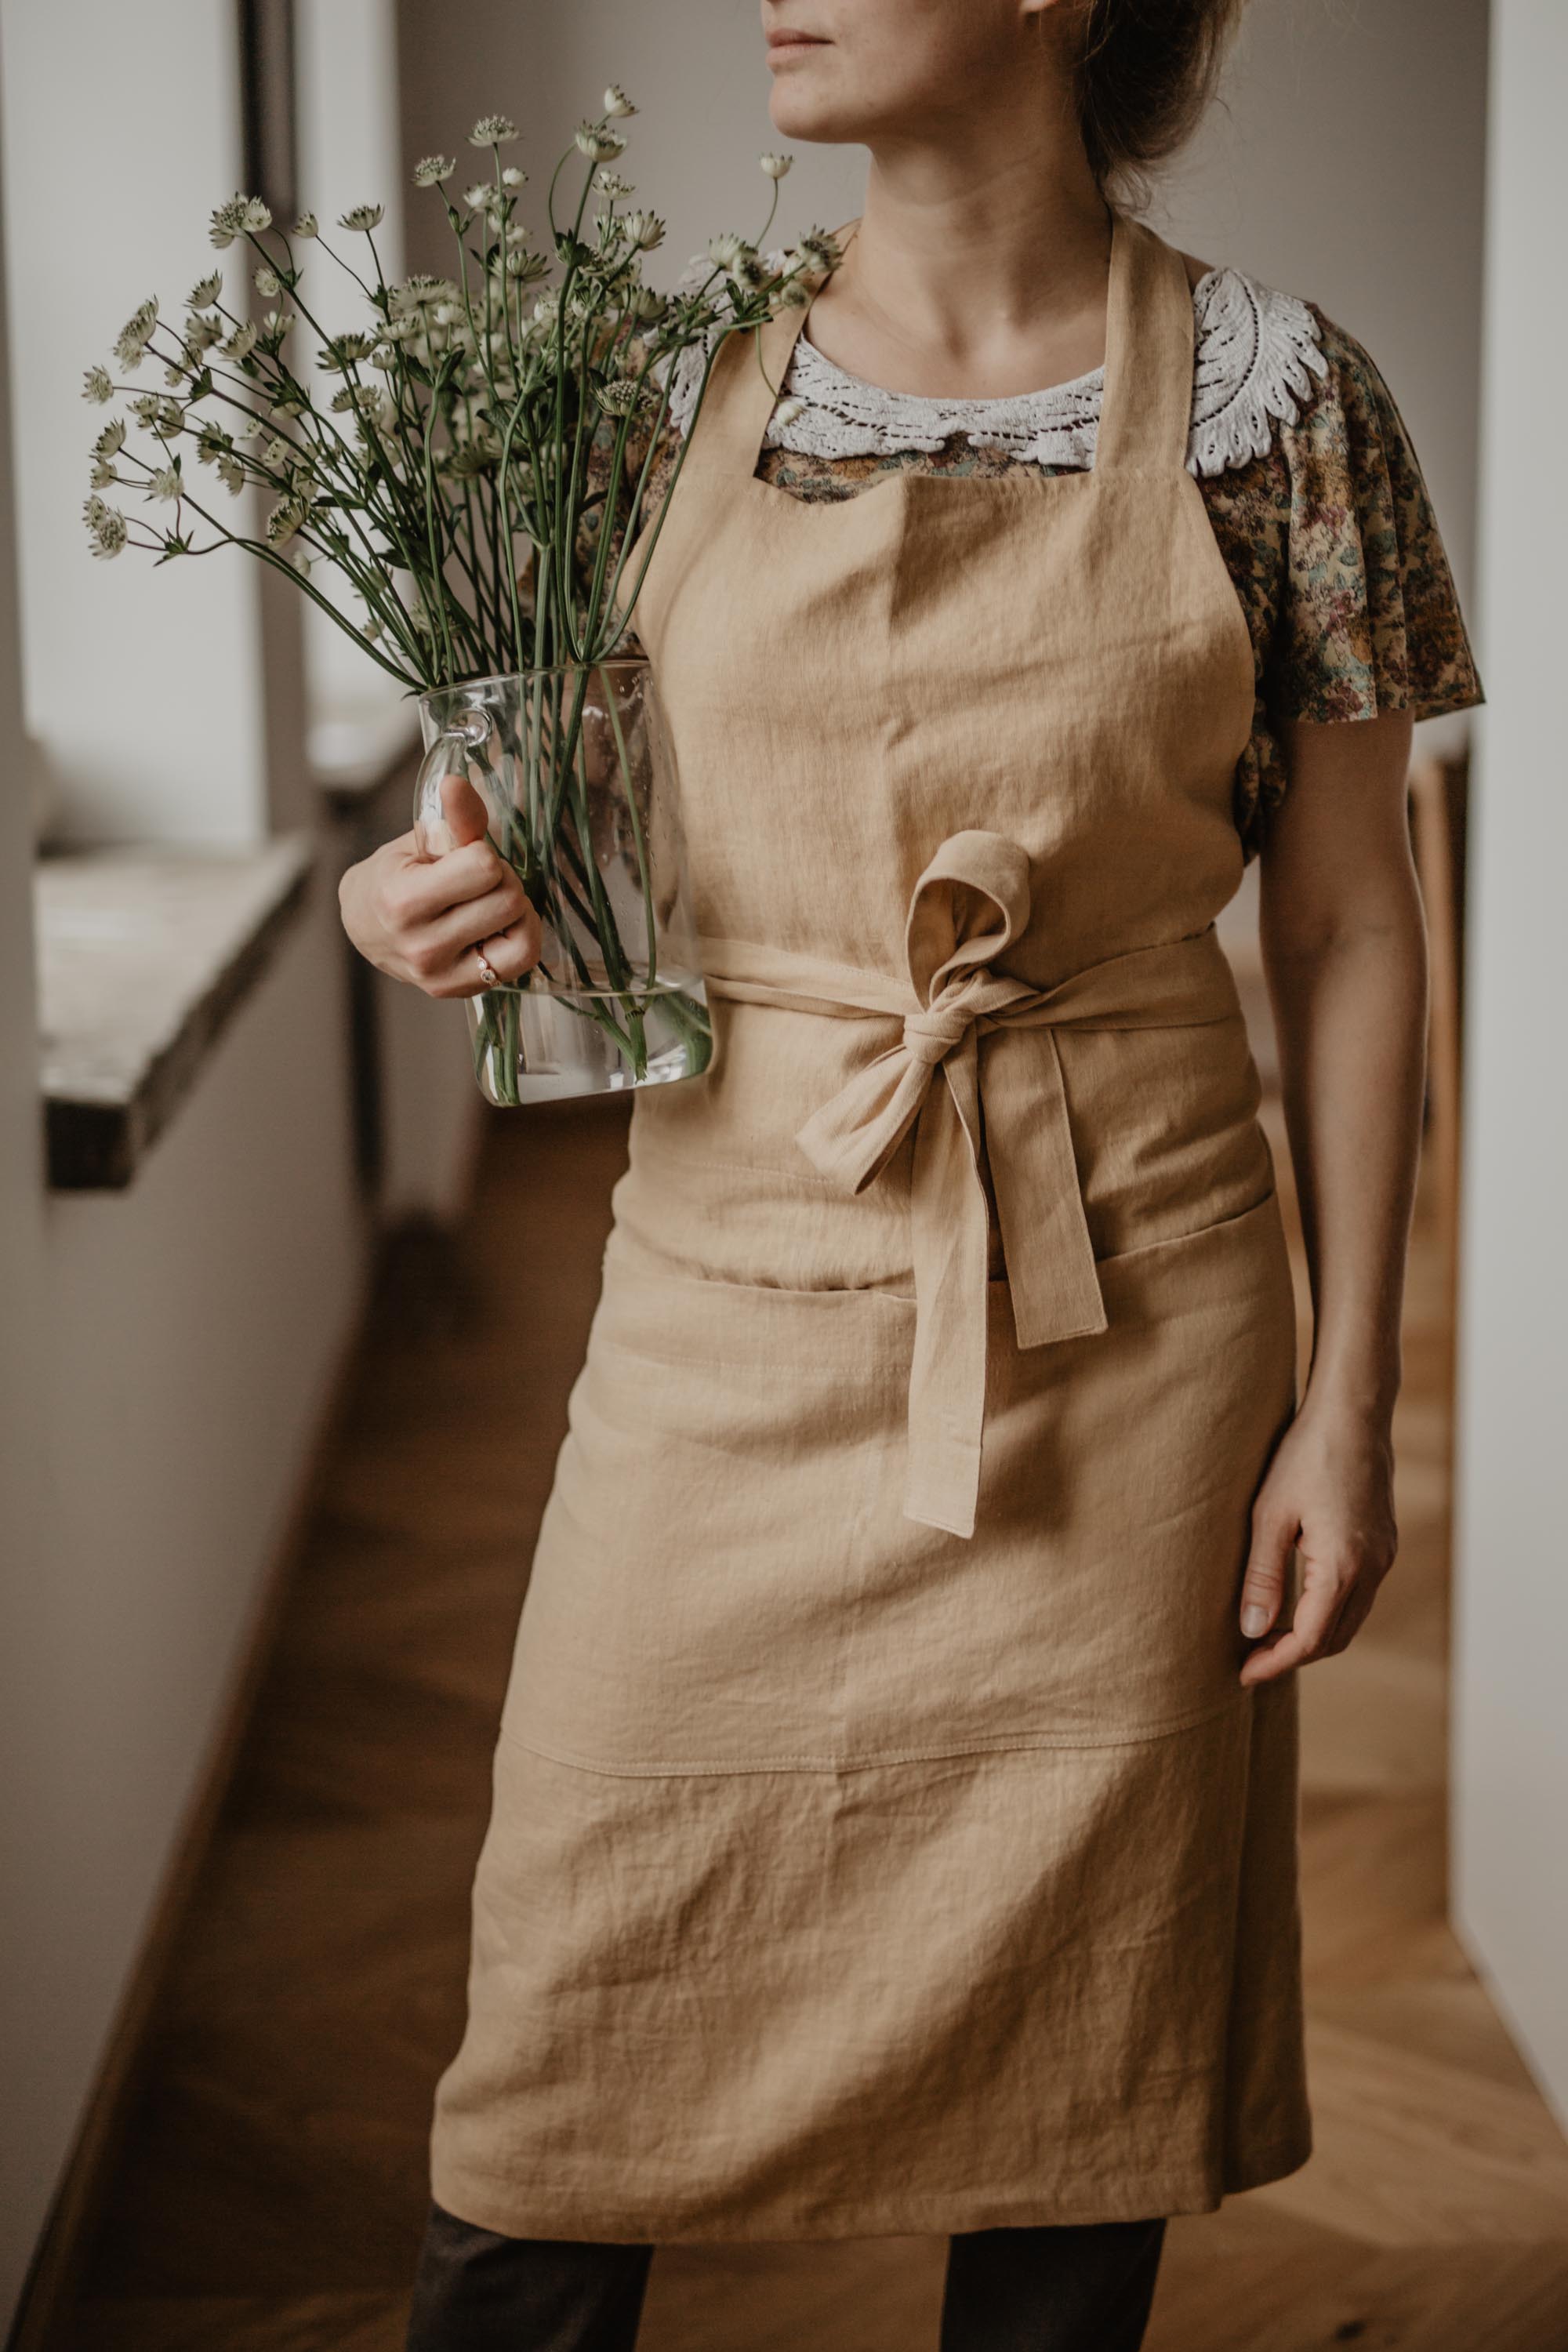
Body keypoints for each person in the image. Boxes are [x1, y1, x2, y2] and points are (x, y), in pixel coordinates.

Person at [339, 2, 1482, 2344]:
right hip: (722, 1296)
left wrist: (1349, 1411)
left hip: (1131, 1324)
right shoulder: (643, 391)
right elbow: (540, 827)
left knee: (1083, 2057)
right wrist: (419, 896)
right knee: (557, 2056)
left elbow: (1360, 928)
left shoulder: (1289, 405)